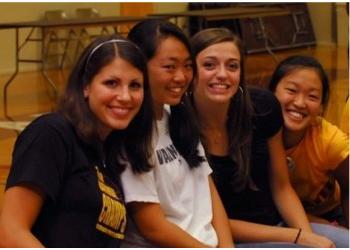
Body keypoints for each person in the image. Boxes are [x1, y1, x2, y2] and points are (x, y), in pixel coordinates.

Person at [189, 27, 349, 247]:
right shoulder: (180, 126)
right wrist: (297, 238)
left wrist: (308, 238)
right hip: (224, 236)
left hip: (279, 224)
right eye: (209, 65)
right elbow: (208, 220)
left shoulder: (262, 107)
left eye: (233, 66)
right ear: (190, 71)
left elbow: (282, 187)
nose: (223, 74)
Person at [0, 35, 154, 247]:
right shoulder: (51, 133)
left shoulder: (111, 150)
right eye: (112, 83)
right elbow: (10, 233)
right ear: (85, 86)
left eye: (135, 85)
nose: (125, 96)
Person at [120, 19, 233, 248]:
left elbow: (209, 193)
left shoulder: (177, 117)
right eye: (170, 67)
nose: (181, 77)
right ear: (139, 67)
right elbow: (153, 227)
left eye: (188, 66)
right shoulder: (130, 135)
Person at [268, 55, 349, 228]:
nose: (299, 103)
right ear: (272, 91)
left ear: (321, 106)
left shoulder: (330, 140)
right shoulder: (255, 133)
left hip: (330, 213)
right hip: (271, 215)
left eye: (312, 97)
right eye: (291, 90)